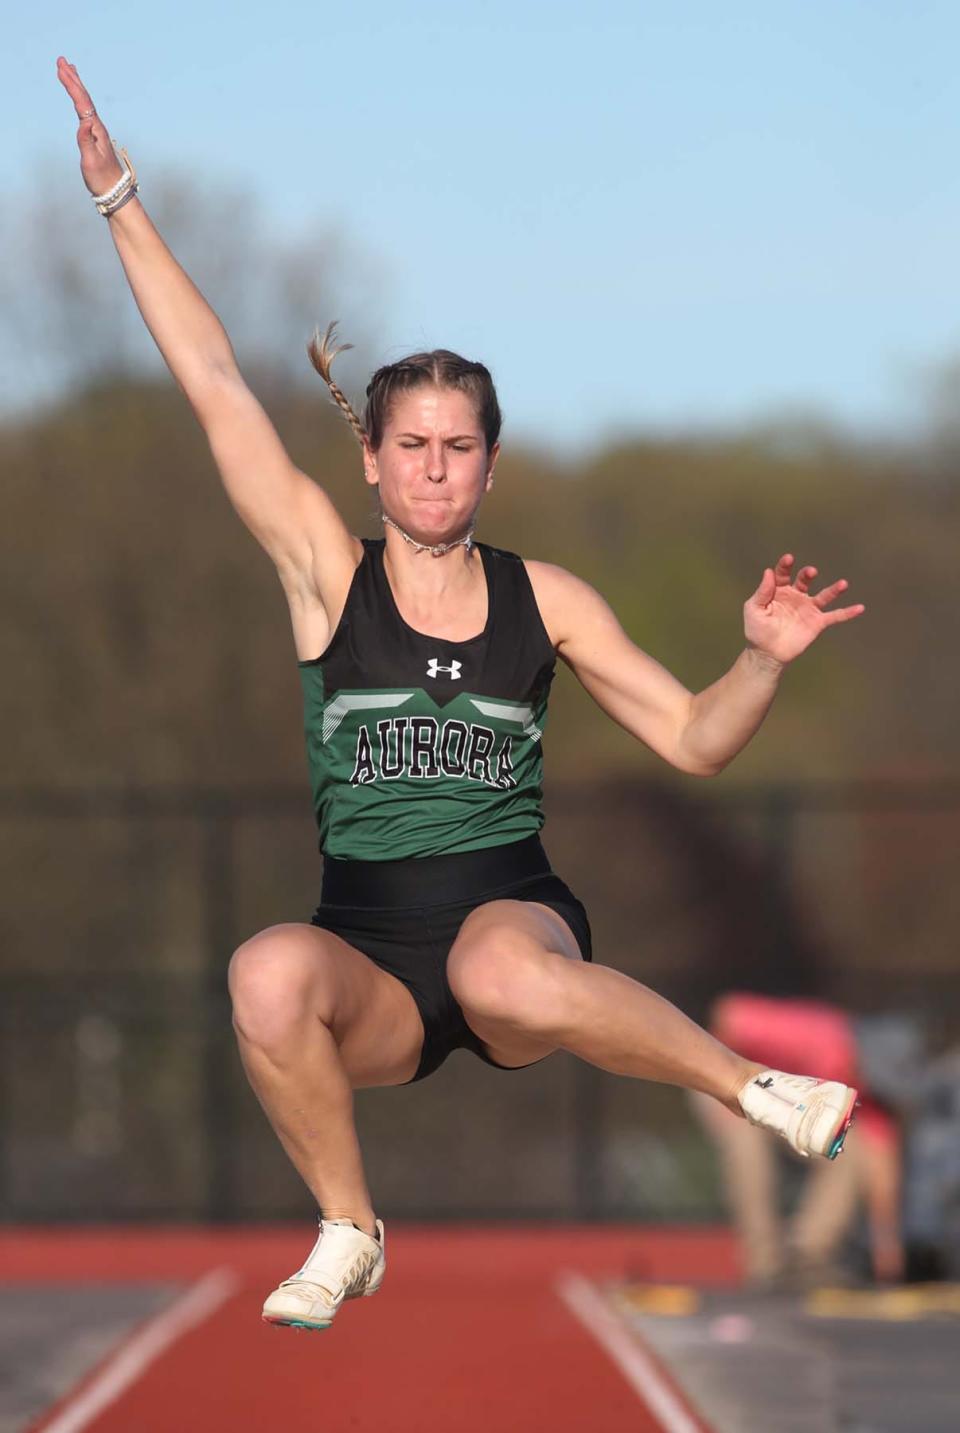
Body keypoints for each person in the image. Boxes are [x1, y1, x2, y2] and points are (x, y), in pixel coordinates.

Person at [57, 57, 866, 1331]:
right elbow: (214, 383)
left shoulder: (547, 598)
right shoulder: (330, 577)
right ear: (371, 461)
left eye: (461, 447)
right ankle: (349, 1223)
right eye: (413, 447)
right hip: (371, 959)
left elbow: (697, 741)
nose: (436, 470)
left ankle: (749, 1087)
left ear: (490, 464)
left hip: (514, 928)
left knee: (501, 973)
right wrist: (122, 205)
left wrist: (760, 657)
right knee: (264, 971)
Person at [691, 993, 903, 1288]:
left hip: (792, 1105)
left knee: (850, 1148)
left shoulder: (869, 1089)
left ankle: (809, 1254)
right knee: (746, 1143)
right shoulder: (820, 1035)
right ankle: (764, 1262)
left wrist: (886, 1242)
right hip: (726, 1079)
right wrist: (731, 1086)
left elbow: (880, 1161)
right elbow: (730, 1014)